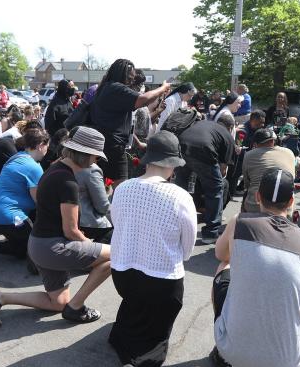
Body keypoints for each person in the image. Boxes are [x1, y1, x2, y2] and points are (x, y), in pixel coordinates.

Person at [86, 132, 197, 367]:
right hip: (162, 281)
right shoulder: (180, 196)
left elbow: (117, 224)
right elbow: (188, 247)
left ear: (147, 160)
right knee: (158, 335)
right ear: (172, 164)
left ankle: (122, 341)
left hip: (123, 274)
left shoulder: (123, 188)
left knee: (135, 305)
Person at [210, 169, 300, 367]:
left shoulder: (242, 223)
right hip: (287, 359)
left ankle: (223, 358)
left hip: (233, 349)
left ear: (258, 197)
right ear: (292, 202)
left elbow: (220, 253)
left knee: (223, 270)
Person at [0, 127, 113, 327]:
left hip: (38, 244)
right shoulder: (69, 183)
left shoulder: (55, 167)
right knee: (116, 254)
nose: (96, 161)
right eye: (95, 157)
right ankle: (76, 307)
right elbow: (71, 231)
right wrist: (87, 243)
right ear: (85, 155)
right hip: (52, 247)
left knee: (58, 303)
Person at [0, 128, 50, 269]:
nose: (47, 150)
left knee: (21, 248)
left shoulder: (17, 158)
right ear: (40, 145)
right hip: (8, 215)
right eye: (47, 147)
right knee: (35, 245)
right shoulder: (34, 167)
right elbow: (39, 201)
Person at [90, 59, 172, 187]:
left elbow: (122, 125)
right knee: (121, 187)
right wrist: (162, 88)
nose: (132, 81)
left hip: (106, 143)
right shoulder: (116, 88)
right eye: (129, 77)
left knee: (104, 185)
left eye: (133, 78)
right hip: (113, 147)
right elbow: (143, 99)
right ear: (121, 74)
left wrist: (137, 143)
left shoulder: (106, 88)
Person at [174, 112, 237, 244]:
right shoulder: (227, 136)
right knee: (215, 189)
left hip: (180, 146)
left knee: (181, 191)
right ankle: (211, 232)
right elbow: (222, 170)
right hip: (204, 151)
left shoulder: (204, 123)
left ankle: (176, 226)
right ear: (230, 127)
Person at [240, 128, 295, 214]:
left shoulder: (249, 155)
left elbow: (247, 183)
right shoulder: (289, 152)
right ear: (273, 141)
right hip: (285, 209)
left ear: (255, 144)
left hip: (256, 207)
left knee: (247, 193)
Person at [75, 156, 113, 243]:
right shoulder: (92, 169)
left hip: (62, 218)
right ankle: (98, 254)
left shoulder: (58, 164)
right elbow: (102, 207)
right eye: (97, 157)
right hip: (85, 222)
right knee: (116, 225)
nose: (96, 160)